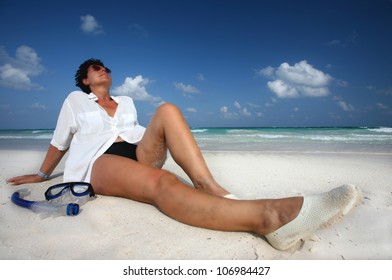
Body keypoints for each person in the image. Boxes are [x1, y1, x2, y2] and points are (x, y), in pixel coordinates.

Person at [7, 58, 361, 251]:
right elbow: (60, 141)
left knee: (169, 109)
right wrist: (41, 176)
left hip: (136, 148)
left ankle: (208, 186)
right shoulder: (74, 101)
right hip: (100, 162)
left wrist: (149, 143)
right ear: (85, 80)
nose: (104, 70)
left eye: (105, 67)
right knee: (162, 181)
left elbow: (136, 134)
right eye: (95, 68)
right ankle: (269, 217)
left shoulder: (126, 101)